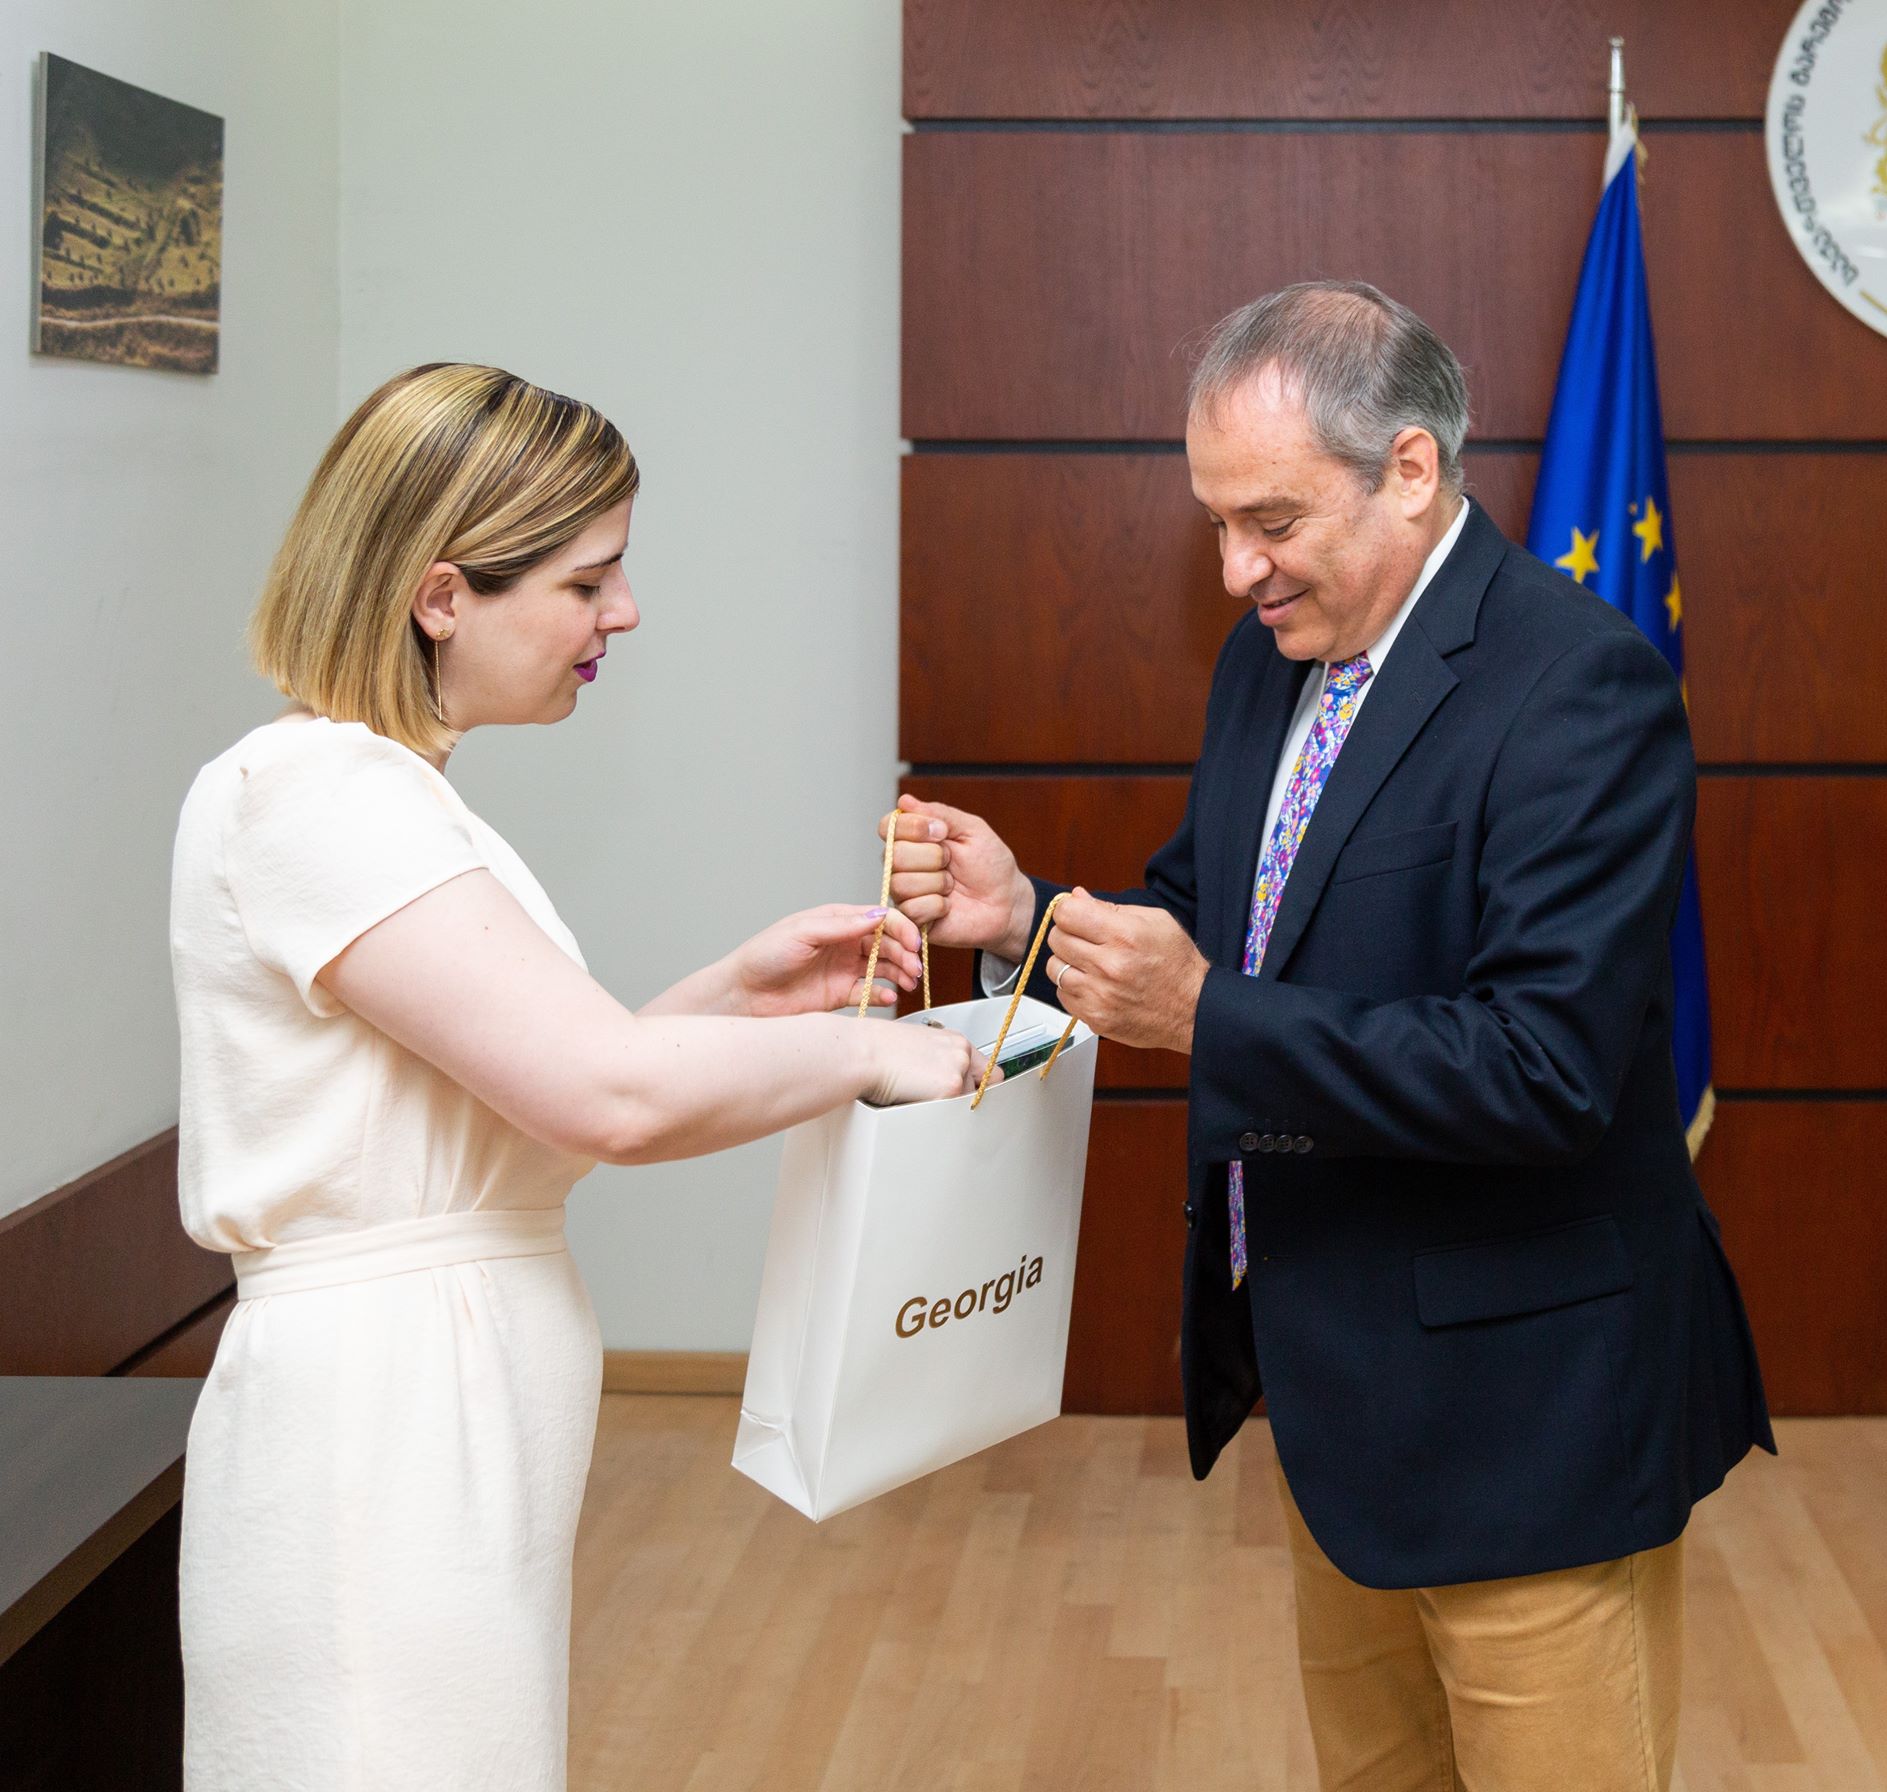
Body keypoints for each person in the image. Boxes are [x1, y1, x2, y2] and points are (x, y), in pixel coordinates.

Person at [883, 283, 1774, 1791]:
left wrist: (1205, 1015)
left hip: (1531, 1419)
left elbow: (1541, 1071)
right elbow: (1224, 920)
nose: (1236, 569)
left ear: (1410, 471)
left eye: (1273, 521)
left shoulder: (1580, 687)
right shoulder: (1270, 658)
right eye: (1216, 523)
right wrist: (1021, 911)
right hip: (1337, 1395)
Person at [169, 363, 982, 1791]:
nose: (625, 614)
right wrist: (870, 1049)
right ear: (441, 596)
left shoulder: (386, 792)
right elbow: (604, 1096)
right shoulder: (319, 796)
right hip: (376, 1433)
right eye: (588, 582)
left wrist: (735, 997)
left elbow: (517, 1110)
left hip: (431, 1410)